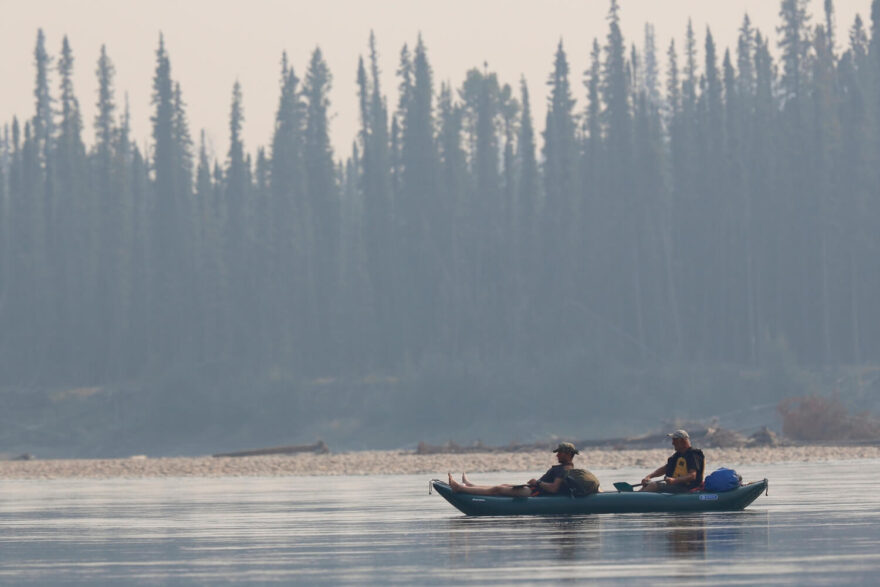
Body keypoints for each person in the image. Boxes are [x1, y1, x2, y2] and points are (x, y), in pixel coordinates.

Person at [447, 442, 581, 497]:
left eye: (560, 453)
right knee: (503, 486)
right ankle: (471, 486)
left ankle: (459, 488)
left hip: (534, 493)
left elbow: (554, 489)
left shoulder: (565, 469)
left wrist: (537, 482)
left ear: (569, 454)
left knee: (498, 489)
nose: (557, 455)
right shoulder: (565, 467)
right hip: (534, 489)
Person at [640, 429, 705, 493]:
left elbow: (692, 476)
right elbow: (665, 468)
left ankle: (637, 500)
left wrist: (674, 480)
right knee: (647, 485)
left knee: (653, 485)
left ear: (682, 441)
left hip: (688, 488)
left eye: (675, 440)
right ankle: (635, 497)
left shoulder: (693, 455)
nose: (672, 443)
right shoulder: (678, 455)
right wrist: (649, 477)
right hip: (676, 486)